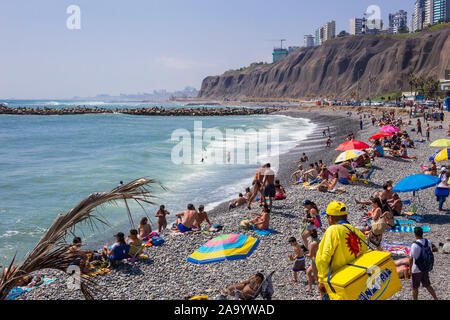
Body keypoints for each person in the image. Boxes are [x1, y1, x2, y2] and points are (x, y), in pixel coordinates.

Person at [316, 202, 368, 300]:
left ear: (330, 218)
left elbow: (323, 257)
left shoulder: (333, 230)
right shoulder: (358, 233)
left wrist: (322, 280)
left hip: (336, 285)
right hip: (355, 282)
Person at [409, 227, 438, 300]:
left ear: (415, 234)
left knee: (415, 287)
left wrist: (410, 269)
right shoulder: (427, 241)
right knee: (427, 285)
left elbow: (411, 258)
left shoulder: (414, 245)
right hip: (425, 267)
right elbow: (431, 251)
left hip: (416, 269)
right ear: (422, 233)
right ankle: (435, 298)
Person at [306, 229, 319, 293]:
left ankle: (322, 294)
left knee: (317, 278)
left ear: (311, 236)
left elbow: (310, 255)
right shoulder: (319, 240)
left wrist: (305, 254)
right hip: (318, 260)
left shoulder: (312, 244)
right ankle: (310, 288)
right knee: (308, 272)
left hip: (314, 261)